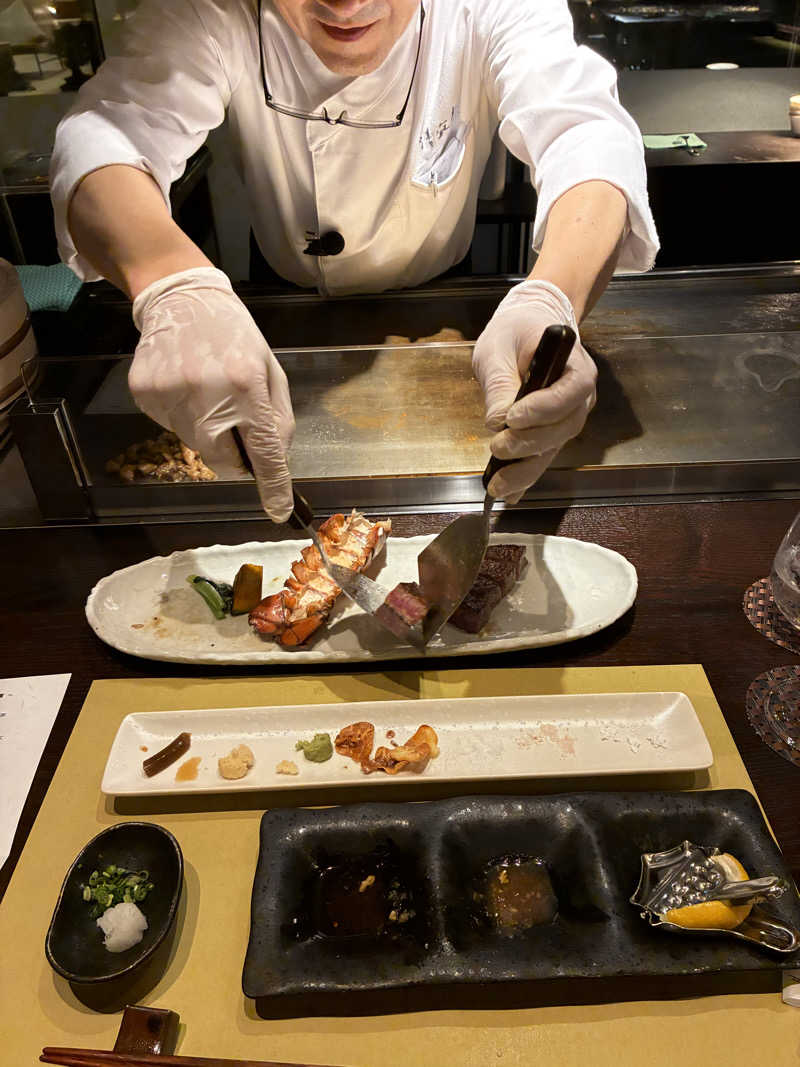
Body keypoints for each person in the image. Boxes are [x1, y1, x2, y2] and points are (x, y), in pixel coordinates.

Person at [50, 0, 658, 523]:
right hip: (272, 312)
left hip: (449, 314)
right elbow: (108, 135)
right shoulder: (212, 10)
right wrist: (174, 287)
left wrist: (554, 294)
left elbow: (585, 134)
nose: (344, 6)